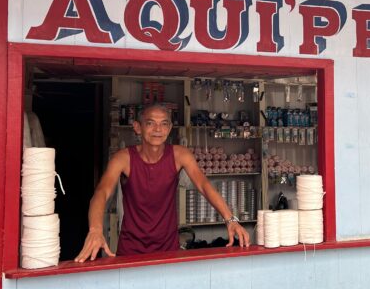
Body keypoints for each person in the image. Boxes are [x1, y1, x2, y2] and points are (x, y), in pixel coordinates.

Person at [75, 103, 250, 262]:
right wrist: (95, 230)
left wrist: (230, 219)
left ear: (170, 128)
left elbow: (204, 185)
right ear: (138, 127)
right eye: (150, 123)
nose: (158, 129)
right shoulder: (123, 158)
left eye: (164, 123)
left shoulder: (179, 155)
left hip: (168, 247)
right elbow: (101, 193)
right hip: (131, 249)